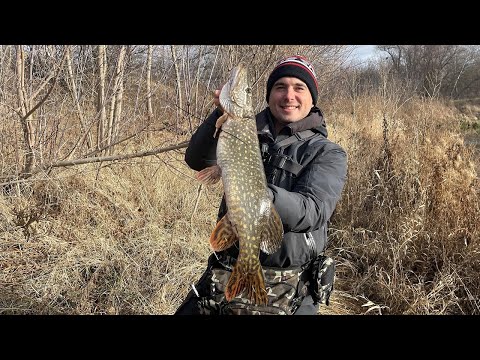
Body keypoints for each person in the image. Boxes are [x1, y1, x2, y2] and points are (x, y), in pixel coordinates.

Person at [175, 55, 348, 315]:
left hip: (290, 284)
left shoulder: (327, 153)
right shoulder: (243, 129)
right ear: (269, 95)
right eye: (280, 87)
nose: (289, 95)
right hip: (224, 272)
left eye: (299, 88)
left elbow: (313, 210)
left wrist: (260, 194)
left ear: (312, 99)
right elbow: (197, 160)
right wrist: (219, 114)